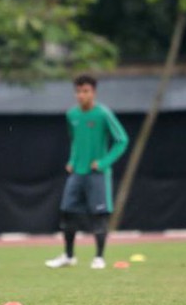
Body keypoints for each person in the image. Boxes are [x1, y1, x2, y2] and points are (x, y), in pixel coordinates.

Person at [46, 75, 128, 270]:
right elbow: (75, 140)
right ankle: (68, 256)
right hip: (77, 173)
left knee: (98, 216)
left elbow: (122, 140)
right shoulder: (72, 115)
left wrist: (104, 162)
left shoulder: (103, 114)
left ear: (93, 92)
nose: (81, 95)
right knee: (67, 212)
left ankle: (99, 258)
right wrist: (72, 160)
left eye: (86, 91)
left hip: (97, 174)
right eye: (78, 91)